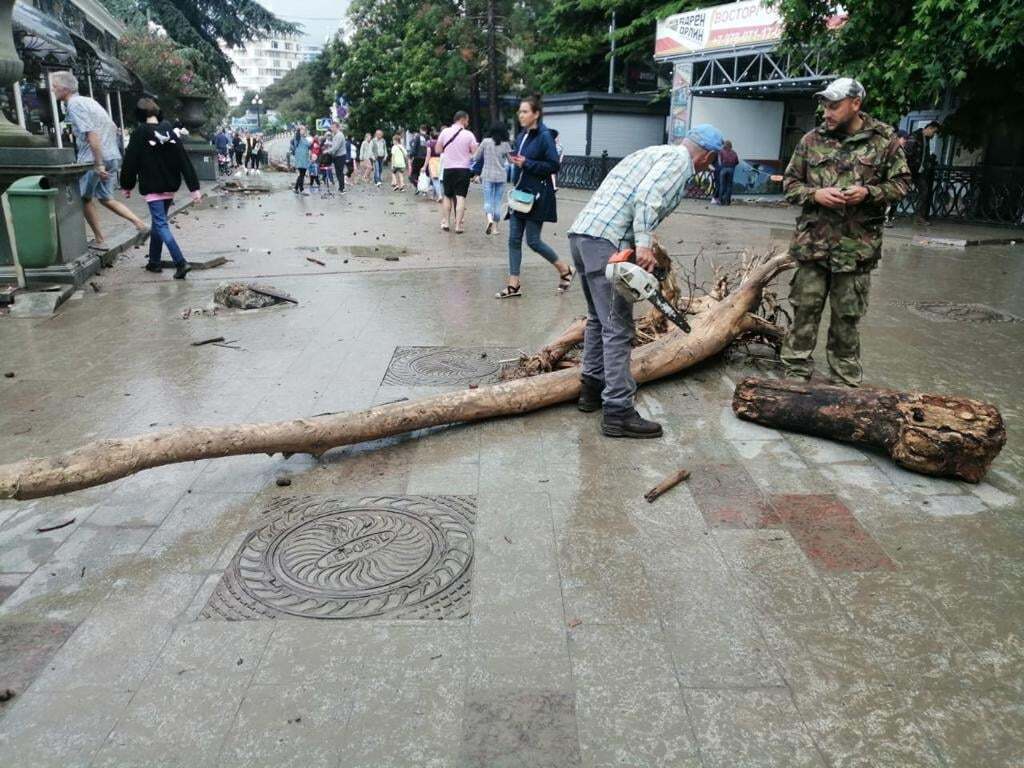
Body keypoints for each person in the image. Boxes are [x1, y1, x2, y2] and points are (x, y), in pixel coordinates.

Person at [568, 123, 724, 438]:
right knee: (618, 328)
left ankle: (591, 388)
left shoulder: (655, 152)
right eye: (712, 161)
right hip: (606, 241)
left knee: (599, 320)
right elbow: (647, 197)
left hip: (584, 234)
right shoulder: (679, 163)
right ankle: (618, 411)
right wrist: (642, 245)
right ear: (707, 156)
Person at [781, 77, 910, 387]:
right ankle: (794, 378)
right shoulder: (811, 140)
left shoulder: (884, 141)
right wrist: (815, 195)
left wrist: (869, 193)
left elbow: (903, 185)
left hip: (856, 250)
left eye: (834, 105)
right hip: (813, 245)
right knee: (804, 313)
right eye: (824, 105)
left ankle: (844, 383)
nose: (826, 111)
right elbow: (789, 184)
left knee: (847, 319)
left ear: (856, 104)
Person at [49, 71, 147, 250]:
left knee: (83, 199)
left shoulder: (74, 104)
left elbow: (91, 134)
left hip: (93, 159)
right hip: (110, 155)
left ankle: (100, 239)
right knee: (106, 198)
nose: (52, 90)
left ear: (64, 88)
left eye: (54, 87)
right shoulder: (88, 101)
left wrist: (98, 163)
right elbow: (112, 126)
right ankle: (140, 224)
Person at [496, 96, 573, 298]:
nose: (520, 115)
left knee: (533, 241)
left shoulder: (545, 136)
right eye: (520, 111)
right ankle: (514, 284)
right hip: (519, 194)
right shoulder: (522, 136)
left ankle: (565, 269)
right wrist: (516, 161)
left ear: (536, 114)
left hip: (537, 196)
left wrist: (527, 163)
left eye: (525, 111)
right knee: (513, 239)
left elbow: (554, 165)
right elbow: (523, 162)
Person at [119, 97, 201, 280]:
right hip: (170, 187)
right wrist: (194, 188)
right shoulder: (170, 131)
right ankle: (154, 261)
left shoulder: (139, 133)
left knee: (161, 224)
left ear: (139, 115)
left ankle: (181, 262)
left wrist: (127, 185)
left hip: (153, 187)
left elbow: (130, 161)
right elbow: (184, 160)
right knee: (159, 222)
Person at [437, 110, 479, 232]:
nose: (468, 122)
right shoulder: (469, 135)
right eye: (467, 120)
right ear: (463, 119)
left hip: (448, 168)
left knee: (447, 196)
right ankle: (458, 225)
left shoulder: (445, 132)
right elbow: (475, 153)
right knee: (460, 197)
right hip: (463, 170)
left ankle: (446, 222)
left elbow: (438, 149)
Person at [474, 123, 511, 234]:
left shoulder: (485, 142)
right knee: (497, 202)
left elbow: (476, 157)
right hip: (501, 176)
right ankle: (495, 229)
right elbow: (510, 160)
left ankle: (489, 219)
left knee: (488, 200)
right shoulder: (506, 145)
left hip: (487, 175)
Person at [905, 120, 940, 222]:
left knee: (924, 191)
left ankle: (919, 216)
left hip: (918, 171)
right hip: (910, 170)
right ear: (930, 128)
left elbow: (924, 154)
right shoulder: (915, 136)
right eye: (934, 132)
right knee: (899, 191)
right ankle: (887, 215)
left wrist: (928, 161)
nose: (934, 135)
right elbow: (908, 153)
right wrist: (907, 169)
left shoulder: (926, 139)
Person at [716, 140, 740, 205]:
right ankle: (728, 201)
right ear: (731, 145)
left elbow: (719, 161)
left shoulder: (721, 152)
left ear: (725, 145)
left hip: (723, 169)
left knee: (722, 185)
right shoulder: (734, 152)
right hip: (731, 169)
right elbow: (737, 162)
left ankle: (721, 201)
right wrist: (732, 166)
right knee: (729, 186)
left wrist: (721, 168)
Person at [327, 121, 347, 194]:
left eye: (333, 127)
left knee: (340, 172)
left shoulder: (339, 135)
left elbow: (336, 147)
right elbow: (334, 146)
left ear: (337, 127)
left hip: (340, 156)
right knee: (338, 172)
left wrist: (328, 151)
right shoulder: (335, 135)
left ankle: (342, 188)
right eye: (331, 127)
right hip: (337, 156)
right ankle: (340, 187)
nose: (332, 129)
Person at [292, 126, 312, 195]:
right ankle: (301, 189)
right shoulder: (298, 137)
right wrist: (298, 130)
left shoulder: (304, 138)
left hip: (305, 158)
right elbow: (296, 142)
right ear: (299, 130)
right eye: (303, 130)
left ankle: (296, 188)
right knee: (302, 174)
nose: (304, 131)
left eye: (304, 130)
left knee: (302, 174)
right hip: (300, 158)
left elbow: (309, 145)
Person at [409, 124, 429, 190]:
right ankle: (425, 187)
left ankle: (417, 186)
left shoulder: (417, 137)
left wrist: (411, 155)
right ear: (426, 130)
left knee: (414, 174)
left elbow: (414, 147)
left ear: (420, 129)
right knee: (425, 173)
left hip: (417, 157)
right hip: (426, 158)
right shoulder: (428, 137)